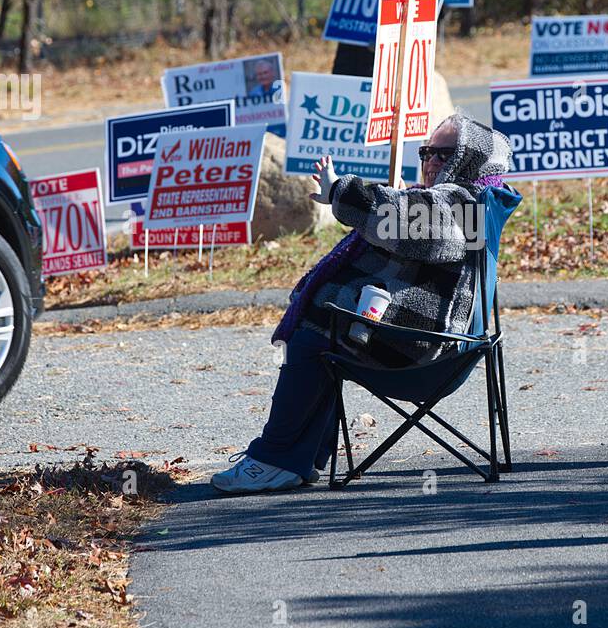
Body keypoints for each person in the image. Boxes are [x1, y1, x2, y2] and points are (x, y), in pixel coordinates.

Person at [209, 112, 516, 495]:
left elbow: (408, 222)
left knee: (315, 339)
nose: (432, 162)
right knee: (324, 332)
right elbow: (414, 218)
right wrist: (404, 197)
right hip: (430, 341)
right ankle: (298, 459)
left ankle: (274, 459)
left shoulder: (464, 206)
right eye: (426, 152)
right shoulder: (475, 201)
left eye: (444, 154)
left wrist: (342, 191)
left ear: (469, 160)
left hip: (424, 355)